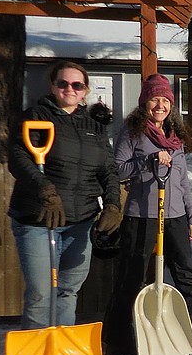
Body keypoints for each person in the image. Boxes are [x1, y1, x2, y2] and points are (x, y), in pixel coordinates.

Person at [102, 73, 192, 355]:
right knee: (131, 279)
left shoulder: (175, 138)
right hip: (141, 215)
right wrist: (149, 161)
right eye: (155, 99)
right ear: (145, 102)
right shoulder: (132, 132)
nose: (160, 105)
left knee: (186, 276)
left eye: (165, 100)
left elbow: (182, 183)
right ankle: (118, 343)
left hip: (175, 216)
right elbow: (117, 169)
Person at [7, 61, 121, 329]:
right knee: (40, 294)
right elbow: (18, 157)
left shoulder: (93, 124)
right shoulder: (35, 117)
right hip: (39, 219)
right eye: (63, 83)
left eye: (77, 85)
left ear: (85, 91)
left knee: (68, 291)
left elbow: (108, 169)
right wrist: (44, 189)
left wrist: (114, 204)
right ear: (53, 86)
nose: (69, 89)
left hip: (81, 221)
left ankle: (62, 353)